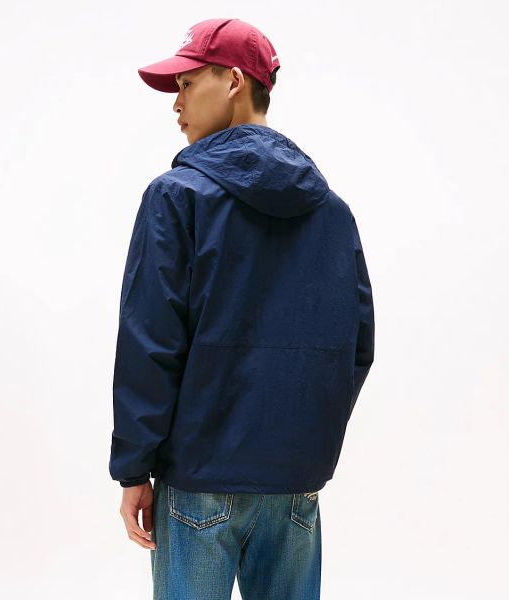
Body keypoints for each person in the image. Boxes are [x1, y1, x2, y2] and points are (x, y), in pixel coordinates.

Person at [109, 17, 375, 600]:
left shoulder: (176, 196)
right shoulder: (332, 211)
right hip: (295, 484)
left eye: (186, 83)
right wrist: (304, 441)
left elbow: (150, 342)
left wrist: (133, 467)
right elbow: (356, 348)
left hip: (199, 477)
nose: (175, 103)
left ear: (232, 80)